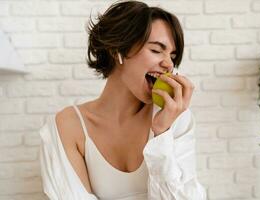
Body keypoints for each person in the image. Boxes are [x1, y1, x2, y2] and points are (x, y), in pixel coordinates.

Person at [39, 0, 207, 199]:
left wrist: (162, 134)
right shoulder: (68, 126)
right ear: (117, 50)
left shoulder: (173, 117)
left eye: (172, 55)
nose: (168, 63)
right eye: (156, 50)